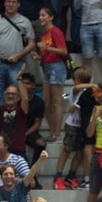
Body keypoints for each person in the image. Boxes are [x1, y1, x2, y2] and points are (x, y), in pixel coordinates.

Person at [0, 0, 36, 105]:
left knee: (17, 95)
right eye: (8, 1)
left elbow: (32, 44)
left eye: (14, 2)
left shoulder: (25, 21)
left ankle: (16, 122)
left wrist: (18, 55)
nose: (11, 4)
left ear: (18, 5)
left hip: (16, 64)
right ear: (4, 3)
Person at [34, 7, 67, 142]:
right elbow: (46, 54)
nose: (41, 18)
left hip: (56, 66)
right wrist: (38, 56)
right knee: (45, 102)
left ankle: (57, 133)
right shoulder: (44, 35)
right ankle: (53, 131)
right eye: (40, 15)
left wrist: (47, 48)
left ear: (51, 17)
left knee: (56, 101)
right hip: (47, 67)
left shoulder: (56, 31)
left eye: (43, 15)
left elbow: (63, 51)